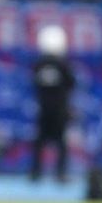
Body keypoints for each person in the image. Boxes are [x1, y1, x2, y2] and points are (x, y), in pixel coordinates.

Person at [31, 25, 75, 182]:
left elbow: (34, 84)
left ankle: (36, 172)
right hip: (59, 110)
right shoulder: (63, 65)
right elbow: (71, 84)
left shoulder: (39, 64)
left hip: (43, 109)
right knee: (60, 142)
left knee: (40, 141)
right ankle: (60, 173)